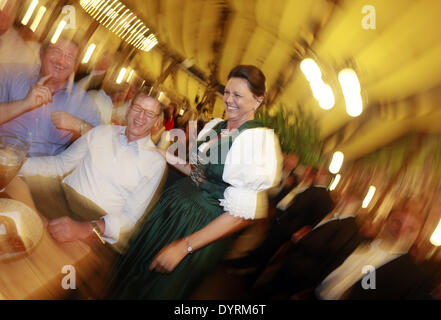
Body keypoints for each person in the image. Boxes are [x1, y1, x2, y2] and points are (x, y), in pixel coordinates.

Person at [108, 65, 283, 299]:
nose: (229, 100)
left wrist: (185, 246)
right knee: (136, 271)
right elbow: (199, 172)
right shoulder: (216, 127)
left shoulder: (257, 141)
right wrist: (165, 155)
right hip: (172, 210)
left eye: (238, 95)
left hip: (198, 228)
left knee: (157, 290)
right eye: (228, 92)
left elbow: (241, 215)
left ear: (258, 101)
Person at [18, 93, 166, 249]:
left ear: (156, 122)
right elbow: (59, 164)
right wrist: (17, 165)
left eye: (149, 114)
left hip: (92, 224)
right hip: (59, 198)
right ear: (128, 110)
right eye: (137, 108)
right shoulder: (101, 132)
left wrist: (86, 229)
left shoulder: (155, 162)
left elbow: (129, 218)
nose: (141, 116)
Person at [0, 37, 102, 156]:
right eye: (56, 51)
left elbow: (102, 145)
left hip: (42, 171)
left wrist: (79, 125)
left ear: (76, 66)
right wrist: (24, 104)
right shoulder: (10, 73)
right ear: (41, 53)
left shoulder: (83, 102)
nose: (61, 61)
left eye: (70, 57)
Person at [226, 166, 334, 279]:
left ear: (323, 177)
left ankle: (244, 267)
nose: (315, 175)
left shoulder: (318, 193)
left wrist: (301, 228)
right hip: (284, 223)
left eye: (320, 174)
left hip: (288, 227)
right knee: (266, 247)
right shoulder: (316, 192)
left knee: (266, 250)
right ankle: (248, 269)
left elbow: (303, 212)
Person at [0, 0, 40, 66]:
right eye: (2, 6)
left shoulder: (21, 51)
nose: (5, 12)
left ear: (16, 15)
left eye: (11, 9)